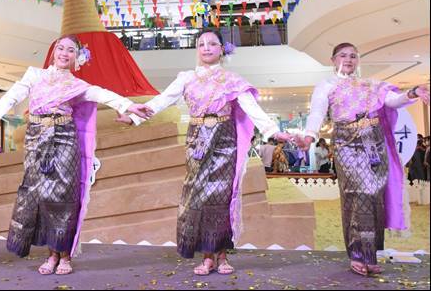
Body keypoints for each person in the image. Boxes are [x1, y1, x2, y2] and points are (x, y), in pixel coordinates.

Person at [0, 35, 152, 275]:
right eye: (60, 48)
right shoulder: (35, 75)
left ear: (77, 57)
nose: (64, 53)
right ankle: (51, 254)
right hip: (35, 137)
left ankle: (64, 255)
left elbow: (101, 93)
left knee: (63, 194)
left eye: (70, 50)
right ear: (53, 52)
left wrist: (128, 106)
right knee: (39, 194)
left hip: (64, 137)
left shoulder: (77, 85)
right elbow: (11, 97)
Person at [118, 28, 293, 276]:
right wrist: (134, 118)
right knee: (198, 198)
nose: (207, 48)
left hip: (224, 141)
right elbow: (162, 100)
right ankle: (207, 256)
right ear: (197, 50)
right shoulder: (186, 78)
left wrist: (274, 132)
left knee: (221, 198)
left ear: (222, 49)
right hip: (197, 141)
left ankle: (221, 256)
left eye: (212, 43)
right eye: (201, 44)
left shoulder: (232, 80)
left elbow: (251, 108)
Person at [300, 42, 430, 276]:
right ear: (333, 60)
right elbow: (317, 112)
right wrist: (310, 135)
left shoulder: (371, 84)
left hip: (374, 145)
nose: (348, 60)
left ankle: (369, 254)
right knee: (358, 195)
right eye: (343, 55)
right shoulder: (326, 85)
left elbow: (393, 100)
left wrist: (412, 93)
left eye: (353, 56)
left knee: (374, 196)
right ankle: (358, 254)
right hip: (347, 145)